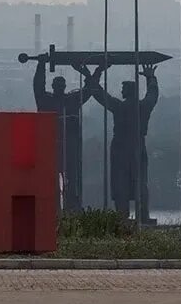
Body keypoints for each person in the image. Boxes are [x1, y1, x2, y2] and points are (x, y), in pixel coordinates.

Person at [85, 64, 159, 221]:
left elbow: (99, 94)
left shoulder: (119, 106)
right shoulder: (143, 106)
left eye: (123, 88)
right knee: (140, 183)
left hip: (120, 147)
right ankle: (143, 216)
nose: (121, 91)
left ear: (128, 91)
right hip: (138, 145)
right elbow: (153, 95)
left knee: (121, 184)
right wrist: (150, 78)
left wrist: (94, 74)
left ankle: (121, 217)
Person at [33, 56, 93, 212]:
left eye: (61, 85)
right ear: (54, 86)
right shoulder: (46, 100)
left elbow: (89, 89)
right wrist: (41, 65)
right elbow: (38, 86)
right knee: (50, 180)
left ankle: (72, 209)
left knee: (72, 181)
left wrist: (89, 72)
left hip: (69, 147)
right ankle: (49, 209)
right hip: (50, 147)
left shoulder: (71, 100)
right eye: (57, 85)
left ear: (64, 86)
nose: (59, 87)